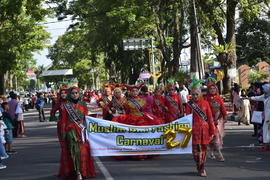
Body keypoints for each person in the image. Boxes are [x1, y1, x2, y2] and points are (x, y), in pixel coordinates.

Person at [112, 83, 163, 159]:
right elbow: (126, 110)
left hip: (142, 118)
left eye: (136, 91)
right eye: (132, 91)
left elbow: (144, 109)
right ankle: (132, 152)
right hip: (131, 118)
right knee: (132, 136)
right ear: (130, 92)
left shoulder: (143, 100)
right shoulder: (126, 101)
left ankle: (144, 151)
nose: (134, 92)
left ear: (138, 91)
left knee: (143, 136)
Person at [58, 86, 96, 180]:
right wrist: (63, 133)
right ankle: (78, 171)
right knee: (74, 151)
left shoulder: (83, 104)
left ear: (79, 94)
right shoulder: (66, 105)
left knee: (83, 151)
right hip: (70, 130)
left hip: (81, 130)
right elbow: (63, 120)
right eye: (72, 93)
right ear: (69, 95)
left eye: (76, 93)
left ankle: (83, 170)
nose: (74, 95)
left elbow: (86, 117)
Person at [186, 78, 216, 177]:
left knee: (204, 150)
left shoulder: (206, 103)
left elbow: (210, 118)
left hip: (204, 130)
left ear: (200, 93)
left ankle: (202, 168)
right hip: (194, 131)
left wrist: (213, 131)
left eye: (197, 94)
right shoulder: (189, 105)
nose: (195, 96)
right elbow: (187, 119)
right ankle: (199, 165)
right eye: (193, 94)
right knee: (195, 152)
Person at [206, 82, 227, 162]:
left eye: (214, 88)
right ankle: (211, 152)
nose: (212, 90)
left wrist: (225, 116)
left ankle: (218, 153)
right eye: (210, 88)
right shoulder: (206, 99)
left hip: (218, 120)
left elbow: (223, 108)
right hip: (209, 120)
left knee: (217, 137)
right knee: (211, 136)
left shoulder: (219, 98)